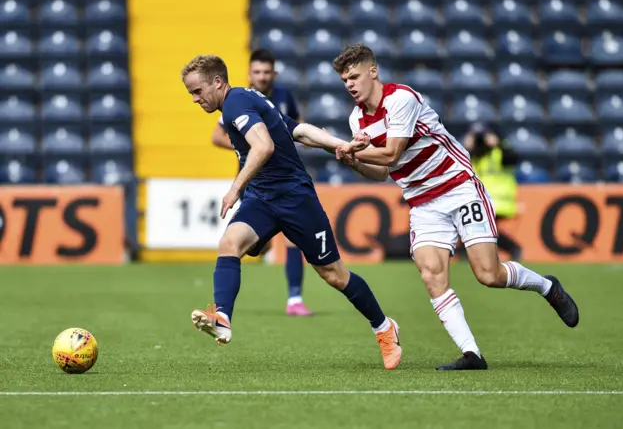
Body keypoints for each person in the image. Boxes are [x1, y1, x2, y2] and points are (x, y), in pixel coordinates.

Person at [333, 44, 579, 371]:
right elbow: (381, 173)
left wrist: (349, 149)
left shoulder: (401, 99)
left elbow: (391, 153)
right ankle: (471, 353)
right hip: (422, 202)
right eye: (344, 80)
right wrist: (351, 160)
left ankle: (547, 286)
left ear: (373, 72)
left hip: (458, 188)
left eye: (354, 76)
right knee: (431, 273)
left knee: (488, 274)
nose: (350, 85)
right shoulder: (357, 119)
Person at [181, 54, 402, 370]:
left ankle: (384, 328)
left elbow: (265, 147)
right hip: (262, 198)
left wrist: (234, 189)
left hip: (295, 198)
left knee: (334, 276)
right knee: (230, 243)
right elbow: (297, 131)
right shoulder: (250, 98)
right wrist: (339, 143)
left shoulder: (234, 104)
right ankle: (222, 318)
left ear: (217, 82)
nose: (195, 99)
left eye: (197, 91)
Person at [210, 49, 310, 316]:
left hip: (285, 180)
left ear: (273, 73)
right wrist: (247, 143)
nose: (262, 77)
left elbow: (295, 124)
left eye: (267, 72)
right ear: (250, 74)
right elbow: (217, 136)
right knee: (255, 246)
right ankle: (263, 245)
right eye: (258, 72)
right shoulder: (238, 100)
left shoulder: (284, 97)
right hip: (255, 182)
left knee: (293, 240)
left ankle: (295, 299)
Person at [464, 123, 521, 261]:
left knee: (483, 230)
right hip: (481, 200)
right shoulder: (475, 154)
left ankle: (513, 248)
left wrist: (498, 144)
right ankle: (469, 255)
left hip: (499, 201)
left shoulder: (501, 151)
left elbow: (513, 158)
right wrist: (467, 147)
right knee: (478, 229)